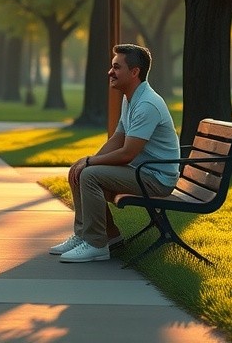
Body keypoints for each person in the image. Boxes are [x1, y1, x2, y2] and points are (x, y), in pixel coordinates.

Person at [52, 44, 181, 263]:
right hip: (142, 172)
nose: (110, 72)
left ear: (134, 72)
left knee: (89, 174)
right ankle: (95, 235)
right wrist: (87, 162)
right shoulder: (130, 97)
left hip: (157, 180)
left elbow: (126, 154)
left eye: (116, 67)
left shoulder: (147, 104)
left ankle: (96, 245)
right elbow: (118, 138)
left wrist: (90, 163)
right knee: (80, 170)